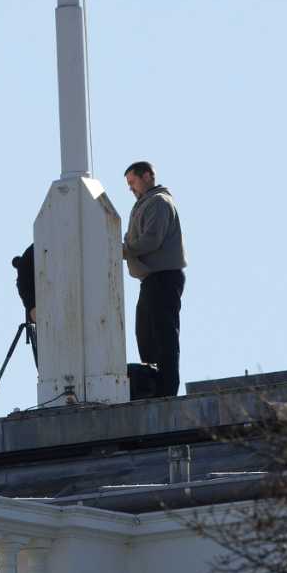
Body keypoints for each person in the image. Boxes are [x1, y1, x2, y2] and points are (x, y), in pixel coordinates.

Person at [121, 161, 186, 398]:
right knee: (146, 334)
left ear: (147, 176)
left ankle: (166, 390)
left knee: (163, 336)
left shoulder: (158, 202)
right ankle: (154, 386)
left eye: (132, 182)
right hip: (151, 280)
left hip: (163, 277)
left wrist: (122, 251)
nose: (131, 188)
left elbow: (150, 240)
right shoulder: (144, 205)